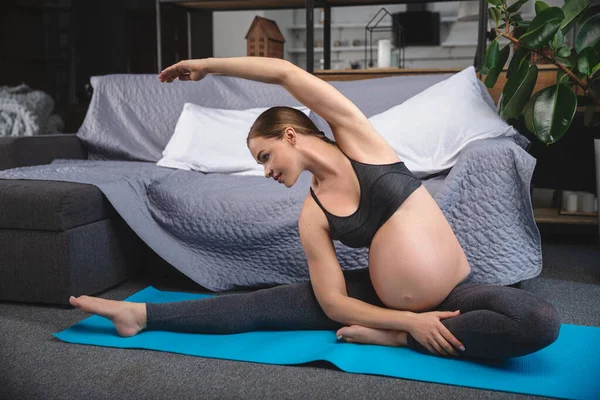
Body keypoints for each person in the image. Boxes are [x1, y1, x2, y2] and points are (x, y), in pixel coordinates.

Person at [70, 57, 560, 360]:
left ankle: (394, 341)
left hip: (458, 292)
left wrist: (210, 65)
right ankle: (139, 315)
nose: (265, 171)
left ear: (290, 135)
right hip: (380, 303)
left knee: (538, 322)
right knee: (261, 305)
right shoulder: (313, 213)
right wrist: (409, 321)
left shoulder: (360, 142)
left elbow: (286, 74)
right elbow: (333, 304)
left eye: (265, 157)